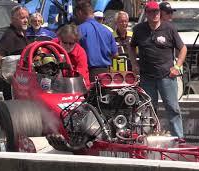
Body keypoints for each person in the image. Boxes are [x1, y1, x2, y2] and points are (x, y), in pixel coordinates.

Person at [128, 1, 187, 138]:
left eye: (156, 12)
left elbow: (183, 48)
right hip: (147, 77)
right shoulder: (139, 29)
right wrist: (134, 63)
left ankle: (179, 138)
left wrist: (177, 66)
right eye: (151, 12)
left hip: (167, 75)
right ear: (146, 14)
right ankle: (150, 137)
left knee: (172, 108)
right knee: (148, 109)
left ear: (160, 13)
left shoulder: (169, 28)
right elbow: (131, 47)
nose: (154, 14)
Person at [75, 2, 118, 82]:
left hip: (88, 74)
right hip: (106, 74)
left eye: (76, 15)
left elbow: (74, 52)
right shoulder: (107, 31)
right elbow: (115, 54)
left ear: (79, 13)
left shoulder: (79, 30)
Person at [0, 5, 29, 100]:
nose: (26, 20)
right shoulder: (10, 35)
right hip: (12, 87)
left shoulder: (22, 32)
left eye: (27, 17)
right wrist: (13, 65)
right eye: (22, 18)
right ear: (13, 19)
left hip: (23, 83)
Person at [52, 24, 90, 88]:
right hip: (54, 85)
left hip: (77, 87)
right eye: (65, 42)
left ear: (76, 41)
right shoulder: (52, 45)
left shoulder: (80, 52)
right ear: (59, 39)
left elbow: (81, 74)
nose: (67, 46)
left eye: (71, 43)